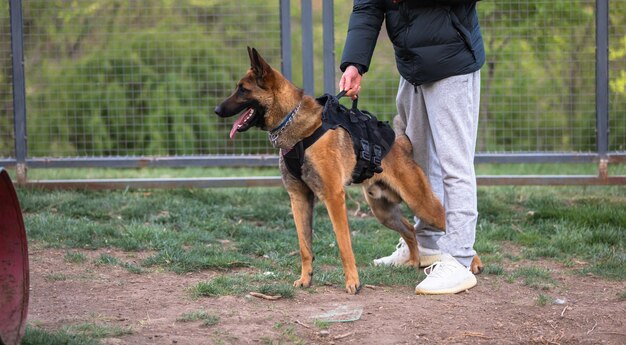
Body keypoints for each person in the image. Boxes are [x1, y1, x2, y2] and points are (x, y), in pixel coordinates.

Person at [339, 0, 485, 294]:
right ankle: (427, 243)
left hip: (452, 61)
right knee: (415, 159)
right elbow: (367, 6)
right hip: (412, 68)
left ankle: (458, 258)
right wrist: (355, 63)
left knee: (454, 164)